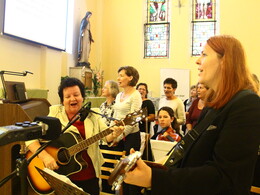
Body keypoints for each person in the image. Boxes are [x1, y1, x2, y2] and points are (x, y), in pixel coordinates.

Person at [124, 35, 260, 195]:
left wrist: (154, 178)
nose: (197, 61)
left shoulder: (246, 103)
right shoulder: (214, 104)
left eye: (204, 54)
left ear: (224, 61)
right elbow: (187, 150)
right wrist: (149, 167)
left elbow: (224, 177)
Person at [26, 77, 124, 195]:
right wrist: (45, 157)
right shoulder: (54, 113)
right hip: (61, 177)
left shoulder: (93, 116)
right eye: (67, 97)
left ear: (82, 97)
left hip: (89, 177)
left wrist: (114, 134)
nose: (73, 99)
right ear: (62, 101)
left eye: (76, 95)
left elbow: (106, 137)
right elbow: (29, 137)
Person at [112, 66, 142, 195]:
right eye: (118, 75)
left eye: (121, 75)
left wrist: (117, 138)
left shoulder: (136, 95)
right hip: (117, 135)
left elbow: (132, 122)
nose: (118, 78)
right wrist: (112, 134)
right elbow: (115, 116)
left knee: (129, 171)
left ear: (130, 78)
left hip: (131, 137)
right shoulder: (119, 95)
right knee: (116, 171)